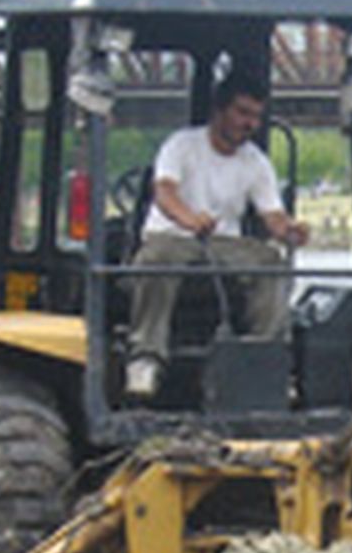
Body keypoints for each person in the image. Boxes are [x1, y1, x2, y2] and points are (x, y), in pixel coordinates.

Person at [125, 71, 310, 399]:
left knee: (270, 261)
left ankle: (264, 362)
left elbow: (272, 214)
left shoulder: (256, 162)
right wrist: (190, 219)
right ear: (220, 110)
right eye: (242, 113)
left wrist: (289, 230)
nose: (249, 123)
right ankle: (145, 358)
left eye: (255, 116)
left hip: (224, 244)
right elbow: (165, 192)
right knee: (154, 259)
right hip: (172, 235)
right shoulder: (181, 145)